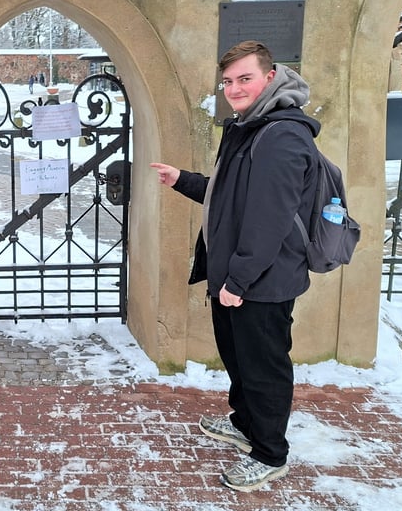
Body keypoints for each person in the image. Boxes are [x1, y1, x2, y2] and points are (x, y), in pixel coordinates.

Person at [150, 40, 320, 492]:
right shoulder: (250, 127)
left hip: (260, 280)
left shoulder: (281, 135)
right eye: (227, 81)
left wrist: (239, 279)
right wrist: (182, 180)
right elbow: (232, 196)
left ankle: (269, 453)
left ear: (269, 77)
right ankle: (246, 424)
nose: (233, 88)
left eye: (244, 78)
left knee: (263, 366)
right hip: (238, 277)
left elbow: (270, 219)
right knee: (240, 359)